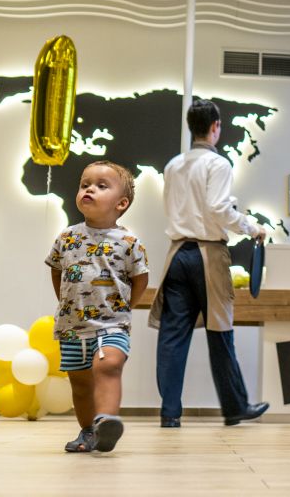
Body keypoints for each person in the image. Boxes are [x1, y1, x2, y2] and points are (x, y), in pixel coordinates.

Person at [150, 99, 269, 428]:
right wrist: (251, 227)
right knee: (220, 332)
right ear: (215, 127)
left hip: (176, 253)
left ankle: (169, 413)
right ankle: (235, 407)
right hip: (208, 254)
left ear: (192, 127)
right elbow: (219, 210)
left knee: (173, 337)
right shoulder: (219, 165)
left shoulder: (173, 165)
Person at [46, 161, 149, 453]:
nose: (89, 189)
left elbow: (140, 278)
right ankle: (88, 431)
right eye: (85, 184)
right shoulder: (66, 237)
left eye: (101, 186)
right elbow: (56, 271)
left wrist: (126, 308)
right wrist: (65, 302)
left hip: (112, 323)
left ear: (121, 203)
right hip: (71, 326)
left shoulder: (129, 242)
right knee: (79, 385)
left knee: (109, 365)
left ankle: (107, 420)